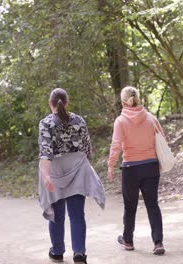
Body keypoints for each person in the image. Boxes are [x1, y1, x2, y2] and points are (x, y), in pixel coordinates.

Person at [38, 88, 106, 264]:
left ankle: (58, 252)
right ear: (67, 103)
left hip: (55, 171)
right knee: (76, 214)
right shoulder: (79, 121)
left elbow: (45, 153)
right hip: (77, 169)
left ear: (50, 103)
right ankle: (79, 254)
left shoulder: (45, 123)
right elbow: (86, 148)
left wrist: (46, 176)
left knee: (56, 214)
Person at [107, 86, 166, 255]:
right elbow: (162, 139)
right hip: (151, 167)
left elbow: (116, 145)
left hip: (131, 168)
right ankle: (158, 242)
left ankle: (128, 240)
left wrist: (111, 165)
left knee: (130, 206)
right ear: (138, 99)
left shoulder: (121, 120)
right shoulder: (151, 118)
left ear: (123, 101)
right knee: (152, 205)